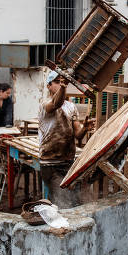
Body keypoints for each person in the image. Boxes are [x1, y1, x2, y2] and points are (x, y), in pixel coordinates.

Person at [38, 71, 92, 208]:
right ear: (49, 86)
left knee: (76, 201)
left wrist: (85, 128)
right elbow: (56, 103)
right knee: (63, 203)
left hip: (68, 161)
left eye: (61, 82)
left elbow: (78, 134)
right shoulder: (45, 104)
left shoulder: (71, 107)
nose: (60, 84)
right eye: (56, 82)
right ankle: (58, 226)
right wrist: (63, 87)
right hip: (51, 164)